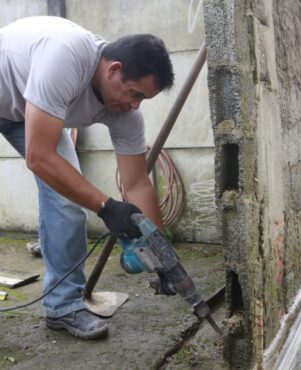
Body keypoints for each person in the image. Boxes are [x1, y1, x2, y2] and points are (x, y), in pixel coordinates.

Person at [0, 16, 174, 340]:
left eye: (143, 100)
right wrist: (107, 207)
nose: (135, 106)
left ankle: (62, 306)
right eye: (134, 94)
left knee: (66, 201)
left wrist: (161, 251)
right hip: (9, 91)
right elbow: (39, 157)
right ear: (113, 70)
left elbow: (137, 183)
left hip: (27, 109)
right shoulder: (65, 54)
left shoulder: (125, 113)